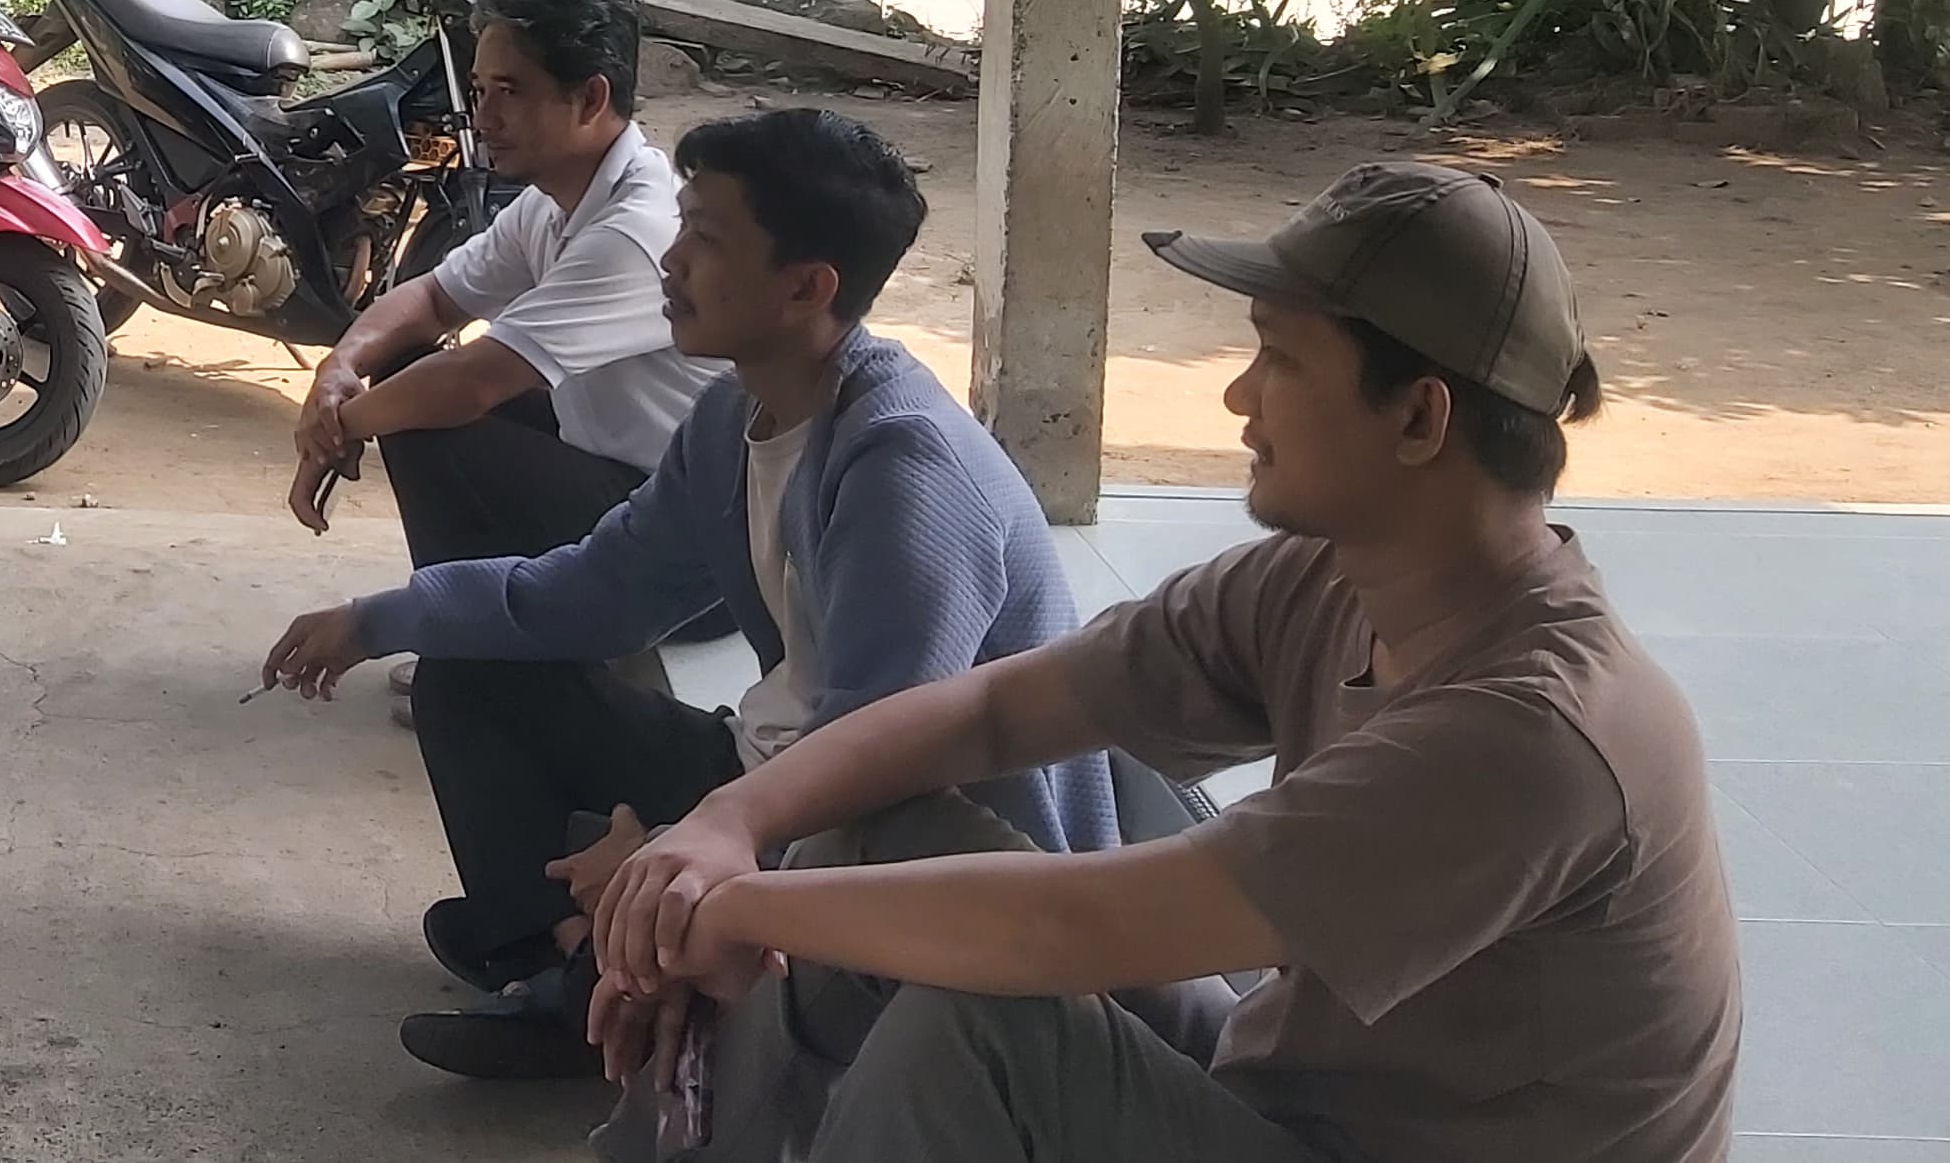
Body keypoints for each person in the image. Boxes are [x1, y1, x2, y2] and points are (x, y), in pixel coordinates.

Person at [579, 162, 1741, 1163]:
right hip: (1298, 1094)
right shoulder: (1326, 580)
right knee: (866, 832)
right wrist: (721, 835)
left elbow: (1072, 932)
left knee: (983, 1028)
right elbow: (992, 712)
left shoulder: (1532, 732)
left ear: (1420, 420)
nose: (1238, 396)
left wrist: (743, 910)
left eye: (1278, 359)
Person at [262, 107, 1115, 1082]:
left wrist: (677, 847)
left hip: (928, 855)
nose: (670, 264)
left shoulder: (904, 470)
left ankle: (604, 973)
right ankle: (565, 954)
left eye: (705, 239)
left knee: (697, 864)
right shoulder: (736, 413)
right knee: (471, 679)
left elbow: (879, 773)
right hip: (778, 773)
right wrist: (375, 620)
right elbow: (592, 593)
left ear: (807, 287)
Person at [288, 0, 720, 577]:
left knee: (431, 418)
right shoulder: (553, 198)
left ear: (590, 100)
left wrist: (333, 426)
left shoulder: (635, 228)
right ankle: (479, 610)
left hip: (681, 527)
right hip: (610, 460)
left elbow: (474, 381)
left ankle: (470, 628)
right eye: (480, 89)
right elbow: (434, 297)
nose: (483, 117)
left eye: (509, 92)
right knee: (404, 374)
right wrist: (338, 368)